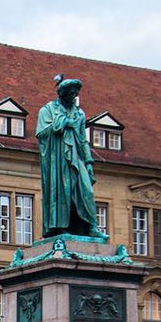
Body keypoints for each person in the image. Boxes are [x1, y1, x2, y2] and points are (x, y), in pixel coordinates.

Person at [36, 76, 107, 239]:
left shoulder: (79, 114)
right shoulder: (48, 110)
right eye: (71, 93)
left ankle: (90, 227)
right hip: (57, 160)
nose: (74, 96)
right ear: (63, 93)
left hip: (77, 157)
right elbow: (41, 133)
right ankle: (60, 227)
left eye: (76, 93)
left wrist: (89, 162)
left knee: (86, 190)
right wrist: (62, 124)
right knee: (63, 191)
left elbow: (83, 139)